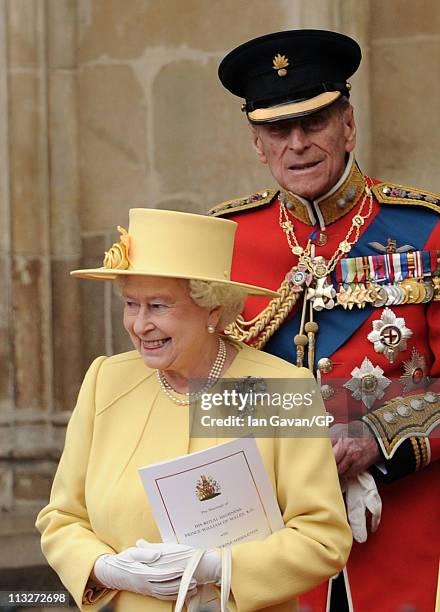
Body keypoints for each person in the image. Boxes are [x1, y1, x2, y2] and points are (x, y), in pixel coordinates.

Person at [210, 30, 440, 611]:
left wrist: (379, 438)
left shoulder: (426, 229)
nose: (298, 144)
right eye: (277, 131)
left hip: (407, 532)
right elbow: (196, 386)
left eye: (314, 122)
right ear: (257, 143)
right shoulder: (222, 241)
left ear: (348, 125)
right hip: (273, 536)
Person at [36, 208, 352, 612]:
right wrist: (106, 569)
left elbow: (321, 539)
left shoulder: (280, 388)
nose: (138, 325)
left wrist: (219, 567)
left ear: (213, 309)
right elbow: (61, 517)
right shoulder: (106, 381)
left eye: (158, 306)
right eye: (131, 304)